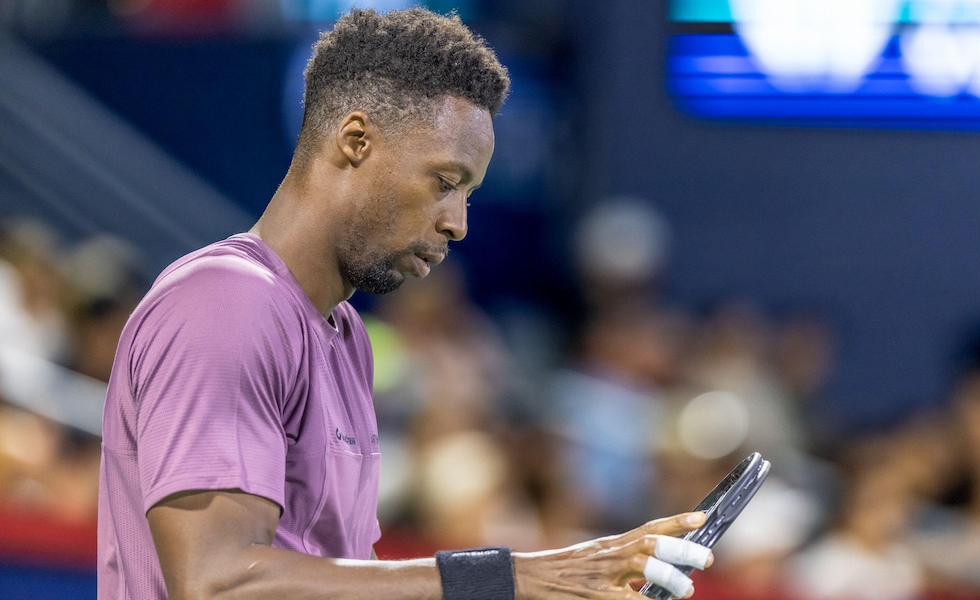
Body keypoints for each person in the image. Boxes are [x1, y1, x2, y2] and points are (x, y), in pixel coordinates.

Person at [97, 7, 716, 600]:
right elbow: (217, 584)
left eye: (469, 194)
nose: (458, 224)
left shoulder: (345, 337)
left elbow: (329, 583)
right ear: (356, 140)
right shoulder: (227, 305)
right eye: (445, 183)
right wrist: (514, 579)